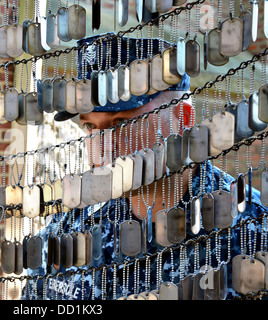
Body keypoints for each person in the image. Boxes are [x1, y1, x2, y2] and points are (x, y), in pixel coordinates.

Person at [21, 34, 267, 300]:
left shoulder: (251, 234)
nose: (103, 147)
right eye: (90, 126)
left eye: (120, 123)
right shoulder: (68, 228)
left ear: (182, 118)